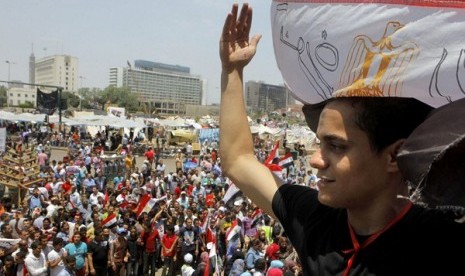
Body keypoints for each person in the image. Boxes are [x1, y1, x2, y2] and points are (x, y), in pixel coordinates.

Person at [219, 3, 465, 275]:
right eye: (320, 143)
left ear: (394, 156)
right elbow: (238, 160)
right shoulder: (316, 222)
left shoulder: (443, 242)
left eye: (336, 146)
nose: (315, 160)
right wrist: (232, 71)